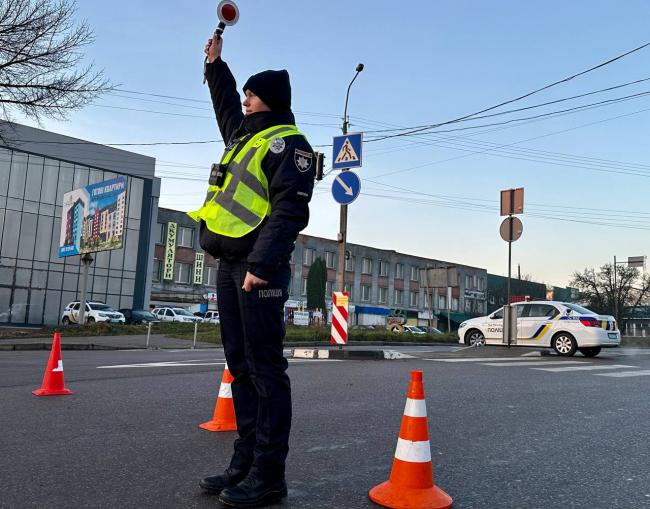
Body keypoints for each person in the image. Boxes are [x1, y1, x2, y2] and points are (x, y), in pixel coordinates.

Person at [188, 33, 315, 508]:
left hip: (258, 270)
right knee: (239, 367)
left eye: (251, 93)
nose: (244, 98)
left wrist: (262, 266)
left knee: (265, 370)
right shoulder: (245, 137)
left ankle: (269, 474)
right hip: (229, 265)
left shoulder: (290, 146)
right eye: (244, 92)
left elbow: (289, 211)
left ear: (271, 101)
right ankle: (243, 463)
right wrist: (216, 66)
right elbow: (224, 104)